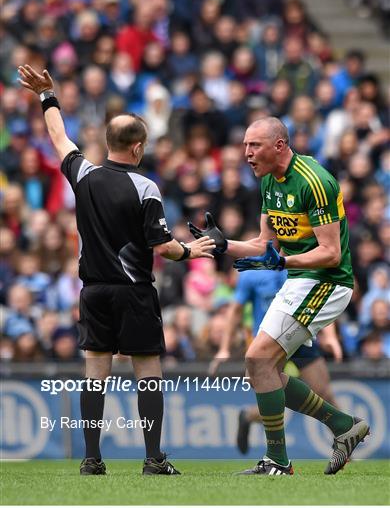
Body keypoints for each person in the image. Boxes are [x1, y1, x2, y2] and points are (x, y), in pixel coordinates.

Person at [18, 64, 215, 476]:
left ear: (108, 143)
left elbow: (58, 136)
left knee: (95, 375)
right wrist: (191, 250)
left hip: (92, 292)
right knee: (148, 372)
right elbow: (161, 245)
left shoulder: (84, 175)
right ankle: (153, 458)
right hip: (134, 293)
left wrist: (46, 96)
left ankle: (91, 459)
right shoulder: (145, 188)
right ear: (138, 148)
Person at [188, 117, 370, 476]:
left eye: (254, 145)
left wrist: (283, 260)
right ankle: (342, 426)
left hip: (328, 282)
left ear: (279, 146)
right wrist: (222, 244)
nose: (246, 154)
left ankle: (279, 461)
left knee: (258, 358)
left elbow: (331, 252)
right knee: (259, 366)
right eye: (244, 145)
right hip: (300, 280)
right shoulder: (269, 182)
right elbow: (263, 245)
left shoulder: (315, 181)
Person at [209, 268, 343, 455]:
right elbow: (235, 310)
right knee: (272, 396)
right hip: (269, 341)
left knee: (323, 392)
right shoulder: (251, 274)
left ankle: (344, 441)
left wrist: (330, 336)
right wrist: (224, 348)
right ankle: (250, 418)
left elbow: (319, 299)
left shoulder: (301, 264)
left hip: (300, 334)